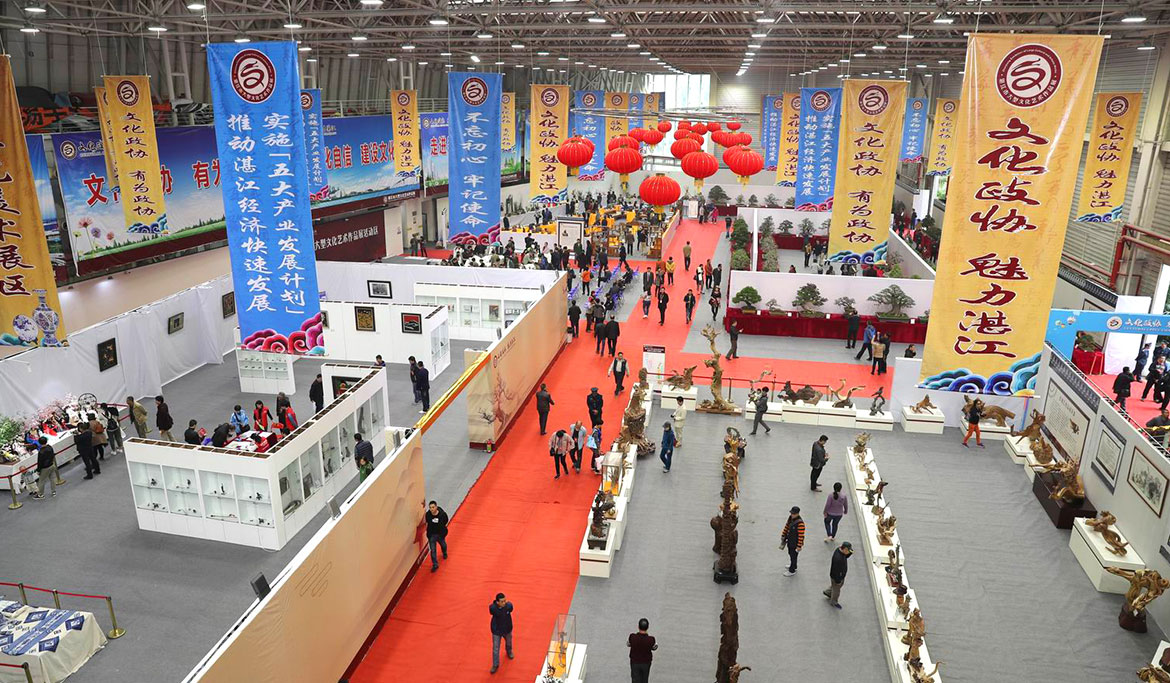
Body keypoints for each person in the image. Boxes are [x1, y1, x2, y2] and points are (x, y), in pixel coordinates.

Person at [489, 592, 515, 674]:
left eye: (505, 601)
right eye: (502, 601)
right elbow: (491, 609)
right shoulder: (493, 609)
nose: (504, 603)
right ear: (497, 602)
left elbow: (511, 608)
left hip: (507, 629)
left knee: (509, 642)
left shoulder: (509, 606)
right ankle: (495, 664)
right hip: (497, 631)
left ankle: (509, 651)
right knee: (495, 648)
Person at [628, 617, 658, 683]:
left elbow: (628, 644)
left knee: (635, 679)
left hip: (635, 662)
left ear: (638, 627)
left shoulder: (632, 637)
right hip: (646, 663)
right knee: (644, 679)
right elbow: (655, 647)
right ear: (647, 627)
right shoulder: (651, 639)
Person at [824, 541, 853, 608]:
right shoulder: (838, 559)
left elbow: (846, 556)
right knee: (836, 590)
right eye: (848, 550)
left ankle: (828, 592)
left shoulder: (839, 550)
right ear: (845, 549)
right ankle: (834, 602)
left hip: (838, 576)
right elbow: (836, 571)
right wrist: (838, 581)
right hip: (836, 577)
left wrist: (850, 553)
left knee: (835, 587)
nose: (849, 552)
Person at [780, 506, 806, 576]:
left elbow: (801, 536)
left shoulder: (800, 524)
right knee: (791, 554)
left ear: (797, 513)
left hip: (795, 543)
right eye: (791, 513)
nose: (792, 515)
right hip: (790, 541)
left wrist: (799, 546)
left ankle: (792, 570)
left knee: (793, 556)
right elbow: (787, 526)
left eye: (794, 514)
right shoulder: (790, 518)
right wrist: (783, 534)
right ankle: (794, 565)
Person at [426, 500, 450, 572]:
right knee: (433, 550)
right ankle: (435, 564)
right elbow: (427, 522)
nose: (431, 509)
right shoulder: (428, 515)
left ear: (436, 507)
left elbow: (446, 520)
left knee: (443, 545)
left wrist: (442, 531)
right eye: (430, 507)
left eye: (433, 507)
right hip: (432, 535)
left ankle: (444, 552)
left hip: (440, 534)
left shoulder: (442, 514)